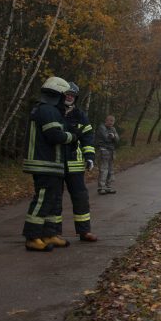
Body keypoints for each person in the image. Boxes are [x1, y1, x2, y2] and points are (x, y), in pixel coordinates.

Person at [22, 76, 78, 251]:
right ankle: (32, 237)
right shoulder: (47, 110)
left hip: (51, 164)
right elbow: (54, 135)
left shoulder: (47, 109)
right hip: (44, 163)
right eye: (65, 95)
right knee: (43, 199)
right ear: (58, 95)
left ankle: (49, 234)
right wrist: (72, 137)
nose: (66, 99)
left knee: (53, 201)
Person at [61, 82, 97, 241]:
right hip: (56, 163)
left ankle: (84, 231)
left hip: (75, 164)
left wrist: (89, 157)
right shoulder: (53, 111)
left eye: (72, 95)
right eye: (67, 94)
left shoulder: (80, 115)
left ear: (75, 98)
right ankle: (54, 232)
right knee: (54, 198)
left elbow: (87, 138)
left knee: (81, 198)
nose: (69, 97)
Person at [95, 115, 119, 194]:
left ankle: (108, 186)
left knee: (110, 170)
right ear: (106, 120)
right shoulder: (101, 128)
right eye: (110, 120)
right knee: (103, 169)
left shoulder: (113, 129)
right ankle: (101, 187)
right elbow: (106, 138)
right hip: (103, 150)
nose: (111, 122)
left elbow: (117, 139)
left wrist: (114, 137)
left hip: (111, 151)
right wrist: (112, 137)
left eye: (113, 121)